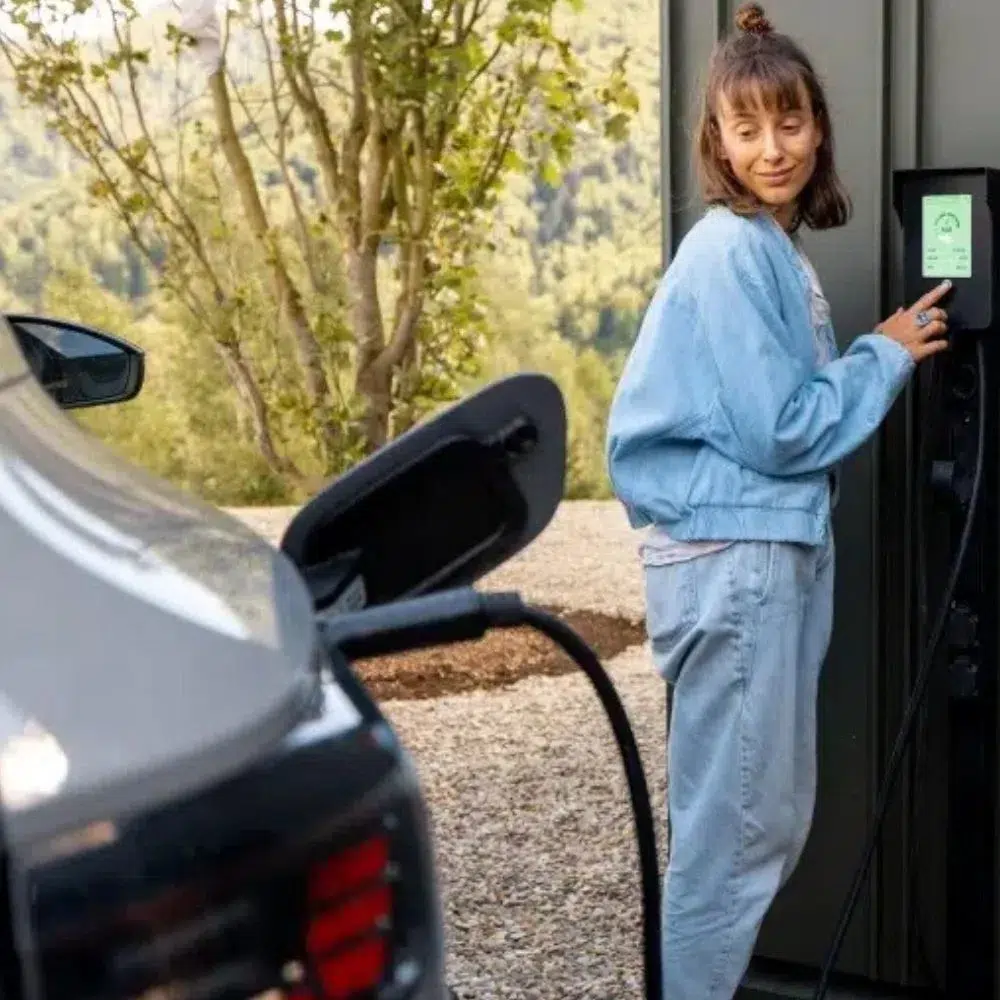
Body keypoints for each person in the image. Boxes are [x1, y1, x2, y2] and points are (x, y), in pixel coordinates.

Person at [604, 4, 952, 998]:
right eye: (746, 128)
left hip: (746, 557)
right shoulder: (727, 255)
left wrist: (866, 355)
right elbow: (781, 429)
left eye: (789, 122)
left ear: (817, 126)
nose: (772, 148)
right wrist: (881, 355)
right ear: (715, 138)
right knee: (738, 837)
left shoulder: (763, 252)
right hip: (736, 564)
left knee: (754, 822)